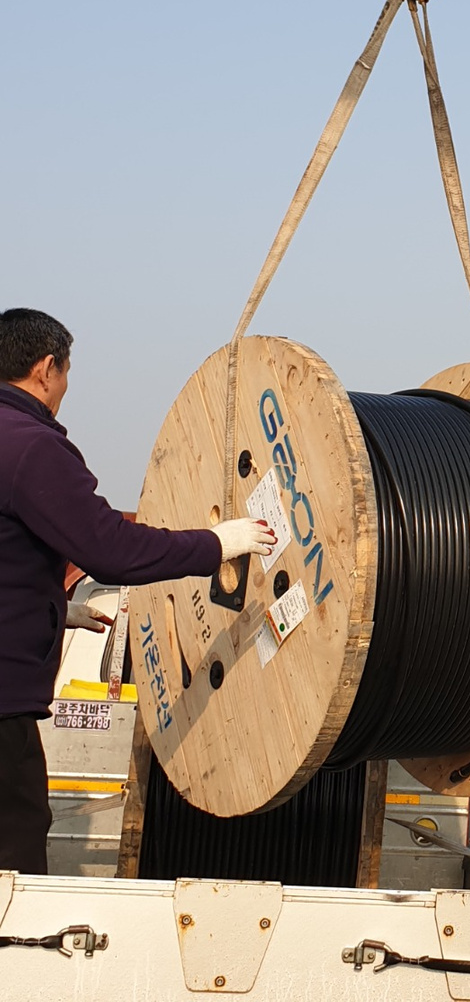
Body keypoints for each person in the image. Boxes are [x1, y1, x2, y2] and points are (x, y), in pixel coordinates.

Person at [0, 307, 276, 874]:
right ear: (47, 368)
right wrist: (216, 544)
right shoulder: (30, 446)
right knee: (14, 856)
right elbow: (112, 550)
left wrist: (51, 606)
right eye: (67, 375)